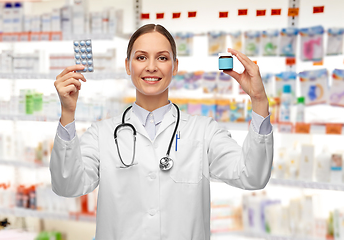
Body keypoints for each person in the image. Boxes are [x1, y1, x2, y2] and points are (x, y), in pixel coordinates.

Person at [51, 24, 273, 239]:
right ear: (128, 66)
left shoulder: (204, 131)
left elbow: (252, 176)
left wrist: (259, 100)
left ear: (175, 66)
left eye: (162, 57)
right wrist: (67, 113)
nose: (151, 67)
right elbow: (67, 185)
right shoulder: (102, 133)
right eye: (141, 57)